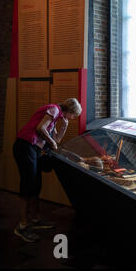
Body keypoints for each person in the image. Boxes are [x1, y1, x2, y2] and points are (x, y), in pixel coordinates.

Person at [13, 98, 82, 242]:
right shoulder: (54, 109)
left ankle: (36, 219)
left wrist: (65, 126)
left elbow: (56, 140)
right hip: (25, 146)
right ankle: (22, 225)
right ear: (70, 111)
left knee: (36, 183)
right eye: (74, 116)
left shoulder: (56, 118)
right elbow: (40, 128)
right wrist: (51, 142)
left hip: (34, 149)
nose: (74, 118)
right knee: (28, 184)